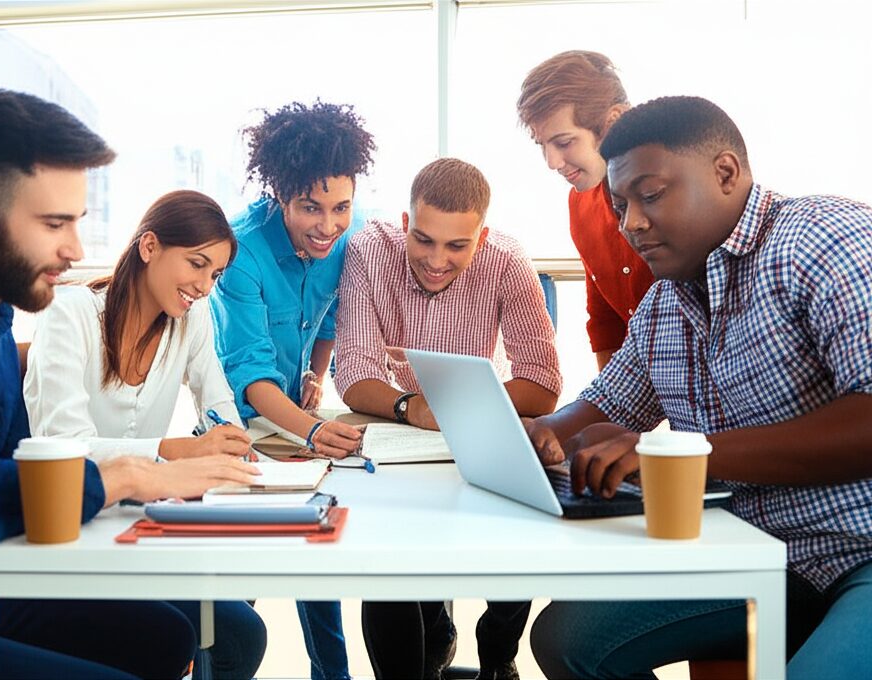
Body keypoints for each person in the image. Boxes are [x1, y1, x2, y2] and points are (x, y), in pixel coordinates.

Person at [0, 88, 258, 679]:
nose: (73, 248)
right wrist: (126, 474)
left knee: (168, 637)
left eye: (77, 223)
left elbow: (18, 462)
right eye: (53, 224)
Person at [524, 96, 872, 679]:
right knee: (569, 640)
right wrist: (536, 434)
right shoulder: (666, 301)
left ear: (726, 173)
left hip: (860, 547)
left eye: (651, 195)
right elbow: (604, 405)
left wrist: (677, 453)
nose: (631, 222)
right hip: (758, 552)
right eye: (620, 205)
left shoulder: (823, 241)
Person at [23, 189, 268, 679]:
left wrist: (228, 439)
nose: (203, 286)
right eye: (196, 265)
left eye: (215, 274)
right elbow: (67, 448)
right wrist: (174, 452)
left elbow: (219, 405)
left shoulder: (190, 320)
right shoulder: (69, 315)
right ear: (150, 246)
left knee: (242, 631)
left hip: (139, 531)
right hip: (70, 535)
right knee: (195, 634)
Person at [335, 157, 561, 680]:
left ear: (480, 239)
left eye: (457, 246)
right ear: (406, 223)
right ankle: (421, 657)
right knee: (392, 559)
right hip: (401, 433)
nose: (436, 260)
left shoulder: (506, 260)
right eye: (425, 240)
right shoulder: (370, 250)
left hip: (482, 426)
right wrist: (408, 407)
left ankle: (497, 656)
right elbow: (353, 370)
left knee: (526, 511)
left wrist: (466, 409)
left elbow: (544, 384)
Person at [210, 100, 377, 680]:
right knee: (244, 584)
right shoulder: (241, 252)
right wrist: (311, 428)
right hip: (238, 424)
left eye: (340, 207)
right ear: (281, 196)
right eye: (310, 208)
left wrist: (317, 373)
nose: (328, 224)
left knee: (317, 554)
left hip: (300, 419)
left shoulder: (352, 233)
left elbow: (330, 317)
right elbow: (251, 377)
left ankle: (332, 675)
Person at [517, 50, 654, 370]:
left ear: (614, 122)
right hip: (640, 391)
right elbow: (605, 320)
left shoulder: (674, 199)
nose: (552, 163)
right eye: (543, 145)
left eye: (564, 143)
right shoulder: (580, 204)